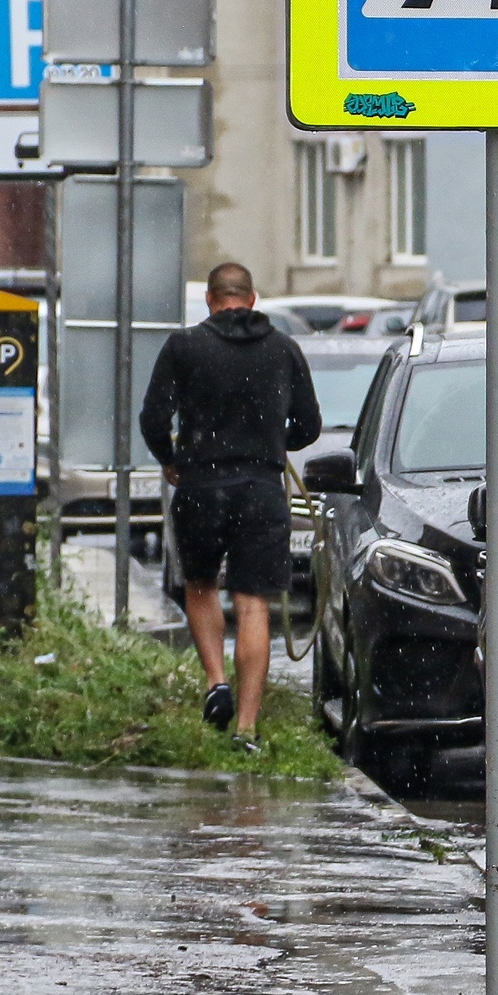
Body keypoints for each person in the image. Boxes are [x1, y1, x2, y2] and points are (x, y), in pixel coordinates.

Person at [140, 262, 320, 751]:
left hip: (201, 486)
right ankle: (246, 727)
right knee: (253, 600)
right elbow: (310, 426)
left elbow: (153, 417)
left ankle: (216, 681)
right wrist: (269, 441)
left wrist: (171, 459)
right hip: (261, 488)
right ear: (253, 298)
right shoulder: (283, 348)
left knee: (200, 585)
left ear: (210, 299)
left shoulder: (184, 347)